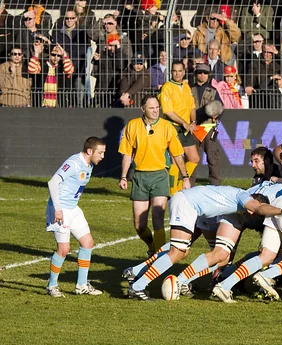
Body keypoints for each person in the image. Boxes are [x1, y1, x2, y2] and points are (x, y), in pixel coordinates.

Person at [126, 185, 282, 300]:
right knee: (177, 251)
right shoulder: (244, 197)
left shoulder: (238, 199)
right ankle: (139, 286)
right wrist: (280, 211)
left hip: (194, 207)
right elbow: (258, 208)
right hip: (188, 204)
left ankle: (135, 271)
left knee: (211, 255)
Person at [118, 95, 190, 257]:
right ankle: (153, 247)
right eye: (151, 108)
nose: (156, 110)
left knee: (158, 218)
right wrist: (123, 177)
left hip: (160, 176)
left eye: (157, 107)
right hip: (140, 178)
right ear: (143, 109)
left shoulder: (166, 127)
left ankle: (160, 259)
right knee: (139, 225)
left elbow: (177, 154)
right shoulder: (133, 125)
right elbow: (127, 154)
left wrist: (185, 177)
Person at [45, 137, 106, 297]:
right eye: (100, 153)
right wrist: (57, 209)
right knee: (63, 249)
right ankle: (52, 286)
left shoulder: (89, 165)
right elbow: (52, 183)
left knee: (87, 242)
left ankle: (81, 285)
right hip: (61, 209)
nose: (102, 156)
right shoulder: (73, 163)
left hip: (73, 208)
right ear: (90, 151)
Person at [158, 61, 198, 194]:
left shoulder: (186, 87)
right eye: (175, 71)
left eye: (180, 71)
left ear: (184, 72)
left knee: (194, 158)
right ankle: (172, 191)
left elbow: (192, 107)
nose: (177, 73)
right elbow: (168, 112)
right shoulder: (167, 87)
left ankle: (181, 186)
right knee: (176, 161)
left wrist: (193, 121)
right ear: (171, 72)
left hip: (185, 128)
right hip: (173, 127)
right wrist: (184, 123)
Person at [192, 62, 223, 185]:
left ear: (208, 75)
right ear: (196, 74)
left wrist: (217, 115)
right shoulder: (189, 90)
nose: (202, 75)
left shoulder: (213, 91)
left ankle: (215, 184)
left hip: (208, 127)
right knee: (191, 158)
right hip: (193, 127)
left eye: (205, 73)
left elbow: (220, 108)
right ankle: (188, 182)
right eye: (200, 72)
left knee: (212, 156)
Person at [28, 43, 74, 107]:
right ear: (49, 54)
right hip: (42, 104)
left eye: (58, 56)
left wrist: (64, 54)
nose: (55, 57)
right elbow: (31, 70)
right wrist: (36, 53)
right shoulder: (42, 64)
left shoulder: (62, 67)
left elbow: (69, 70)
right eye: (53, 55)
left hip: (58, 104)